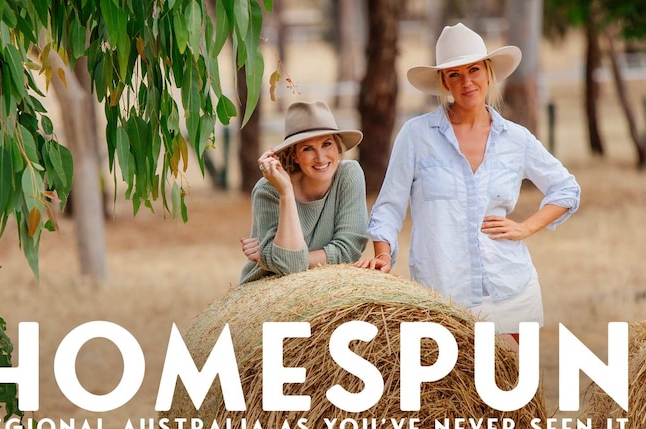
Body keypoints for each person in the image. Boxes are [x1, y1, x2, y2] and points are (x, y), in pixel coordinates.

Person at [356, 23, 580, 342]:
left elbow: (567, 189)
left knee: (524, 384)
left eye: (473, 70)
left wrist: (526, 228)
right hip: (442, 290)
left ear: (488, 72)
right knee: (449, 388)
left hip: (510, 285)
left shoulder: (516, 139)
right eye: (454, 74)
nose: (466, 82)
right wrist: (382, 254)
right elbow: (388, 208)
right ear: (444, 82)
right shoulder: (416, 136)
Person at [239, 100, 368, 284]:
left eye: (327, 144)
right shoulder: (268, 190)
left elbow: (348, 251)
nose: (321, 158)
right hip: (268, 289)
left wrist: (278, 260)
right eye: (308, 149)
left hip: (326, 285)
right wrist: (286, 192)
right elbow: (286, 267)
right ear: (294, 156)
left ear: (338, 146)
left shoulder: (349, 175)